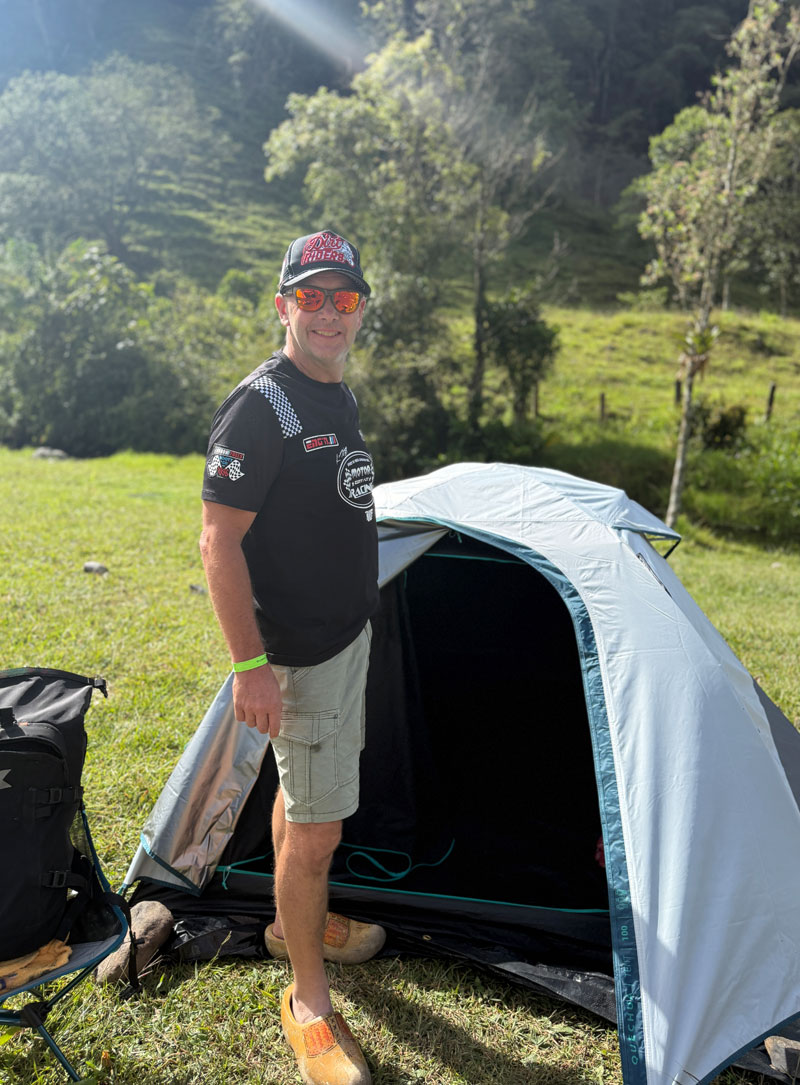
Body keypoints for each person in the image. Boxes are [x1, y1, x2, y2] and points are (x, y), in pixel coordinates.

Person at [199, 230, 383, 1085]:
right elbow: (218, 541)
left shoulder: (334, 393)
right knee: (318, 833)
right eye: (311, 297)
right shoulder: (262, 407)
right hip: (299, 656)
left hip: (345, 639)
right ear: (283, 306)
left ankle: (289, 925)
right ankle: (308, 996)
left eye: (343, 299)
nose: (328, 314)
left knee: (300, 803)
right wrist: (249, 665)